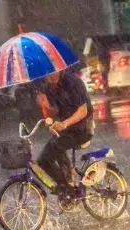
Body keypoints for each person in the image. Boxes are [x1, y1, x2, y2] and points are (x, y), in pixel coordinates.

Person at [33, 69, 95, 199]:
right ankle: (66, 186)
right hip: (67, 131)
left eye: (50, 73)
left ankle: (68, 187)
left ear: (58, 69)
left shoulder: (73, 81)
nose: (48, 78)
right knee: (44, 159)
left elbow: (83, 110)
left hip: (83, 129)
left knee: (55, 147)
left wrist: (65, 123)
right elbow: (54, 114)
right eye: (46, 75)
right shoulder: (50, 88)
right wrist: (45, 105)